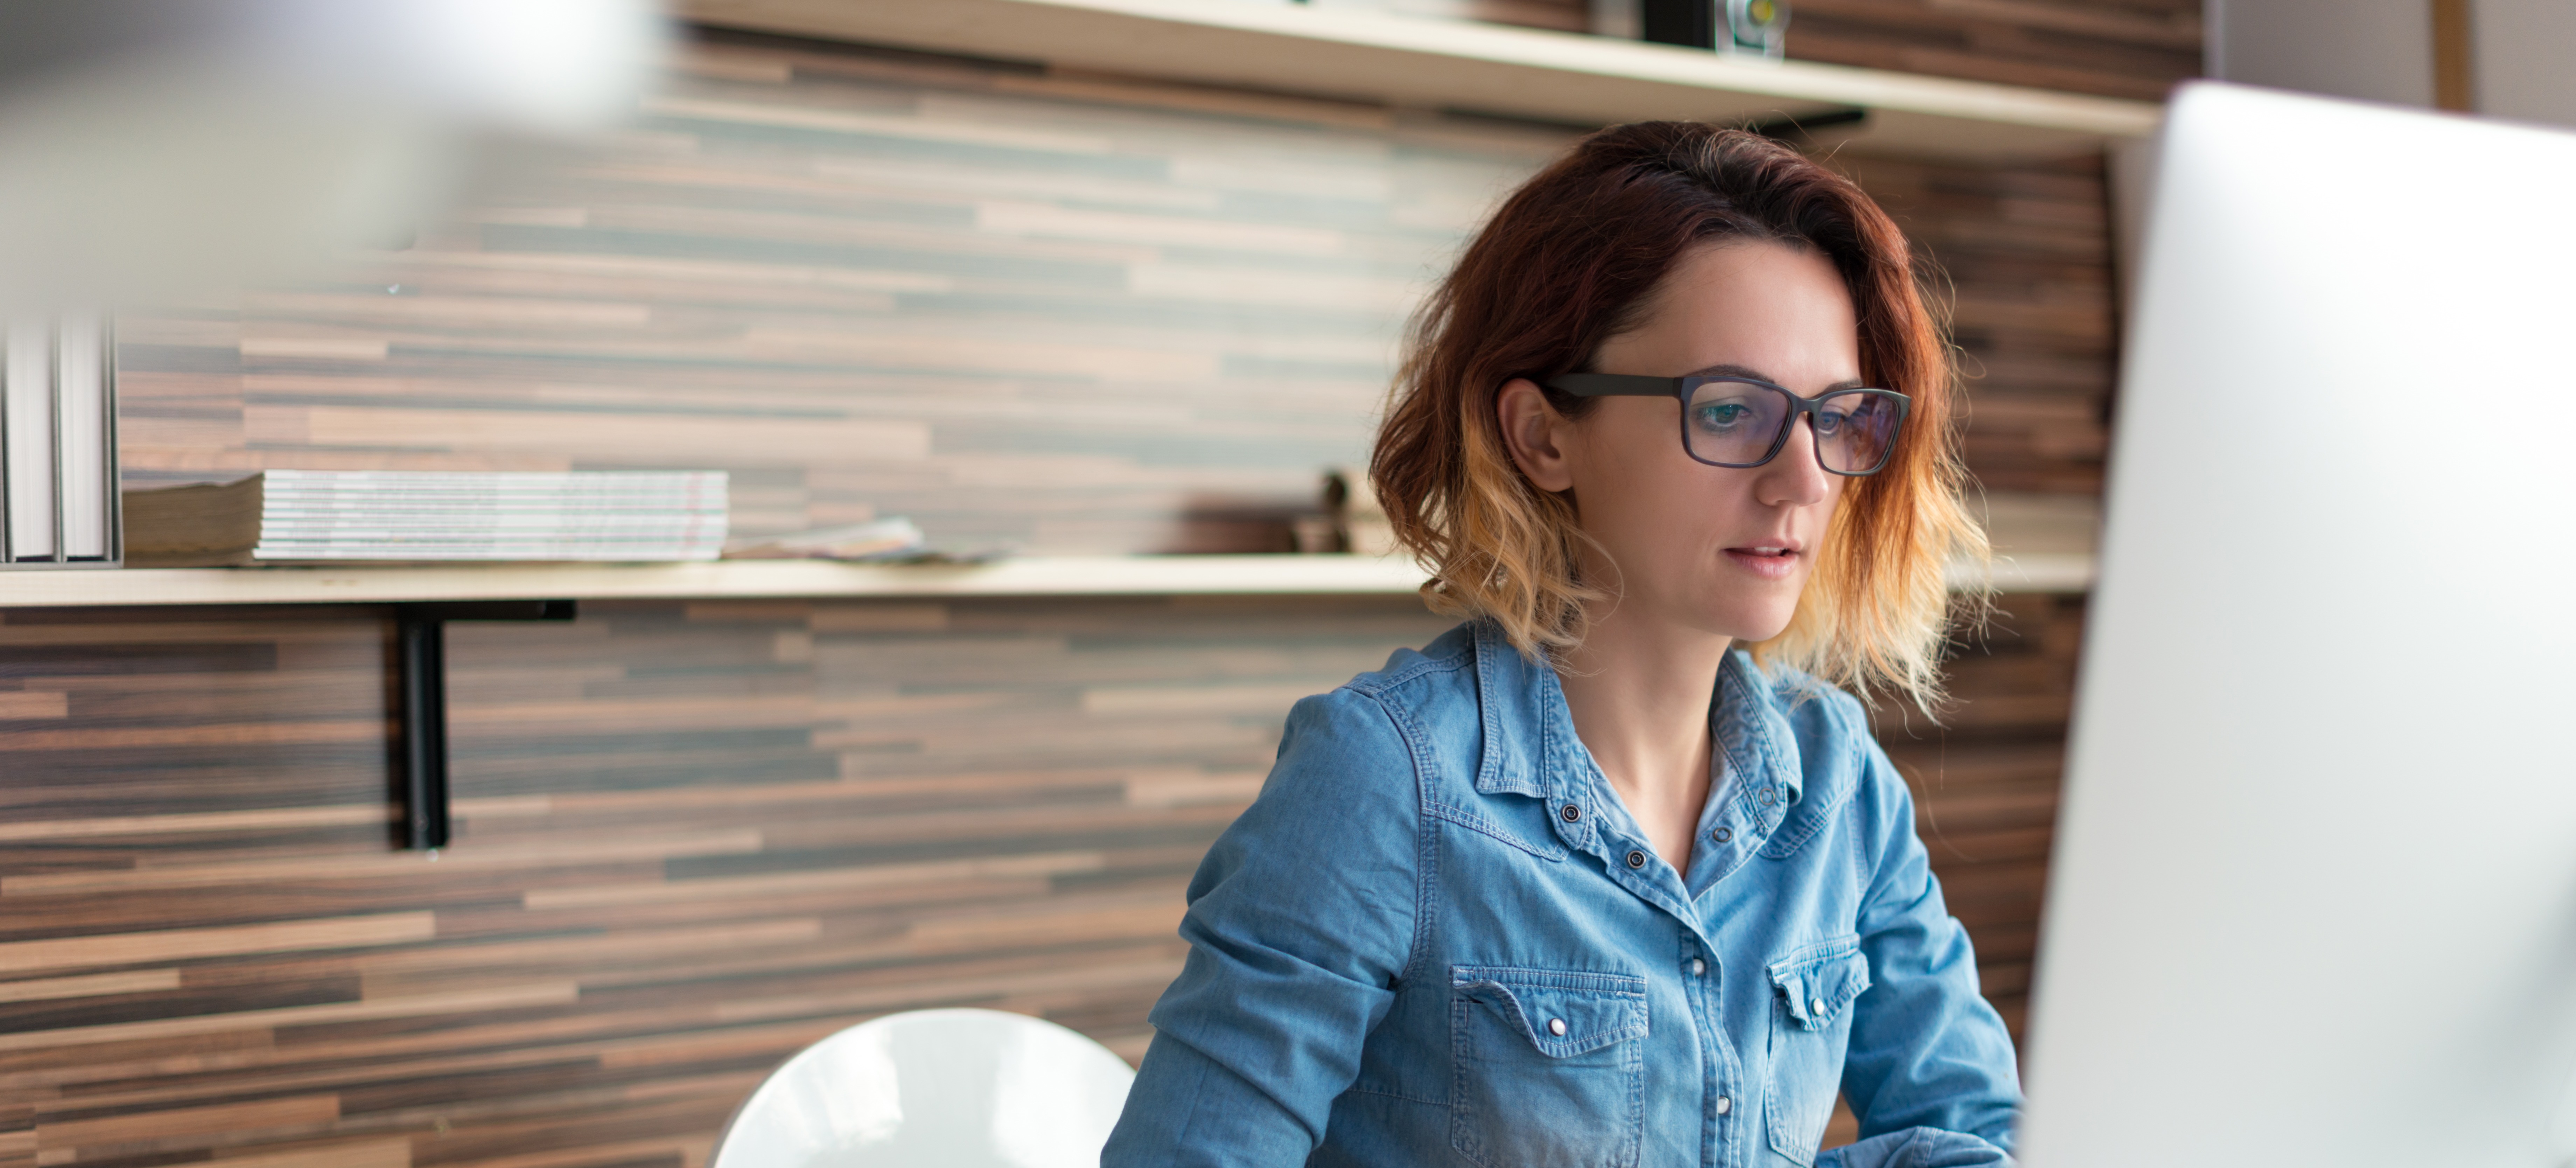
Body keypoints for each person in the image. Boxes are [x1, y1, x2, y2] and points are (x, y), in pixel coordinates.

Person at [1101, 121, 2020, 1168]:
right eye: (1730, 411)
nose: (1804, 480)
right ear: (1543, 435)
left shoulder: (1838, 780)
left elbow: (1973, 1134)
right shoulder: (1383, 783)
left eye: (1835, 417)